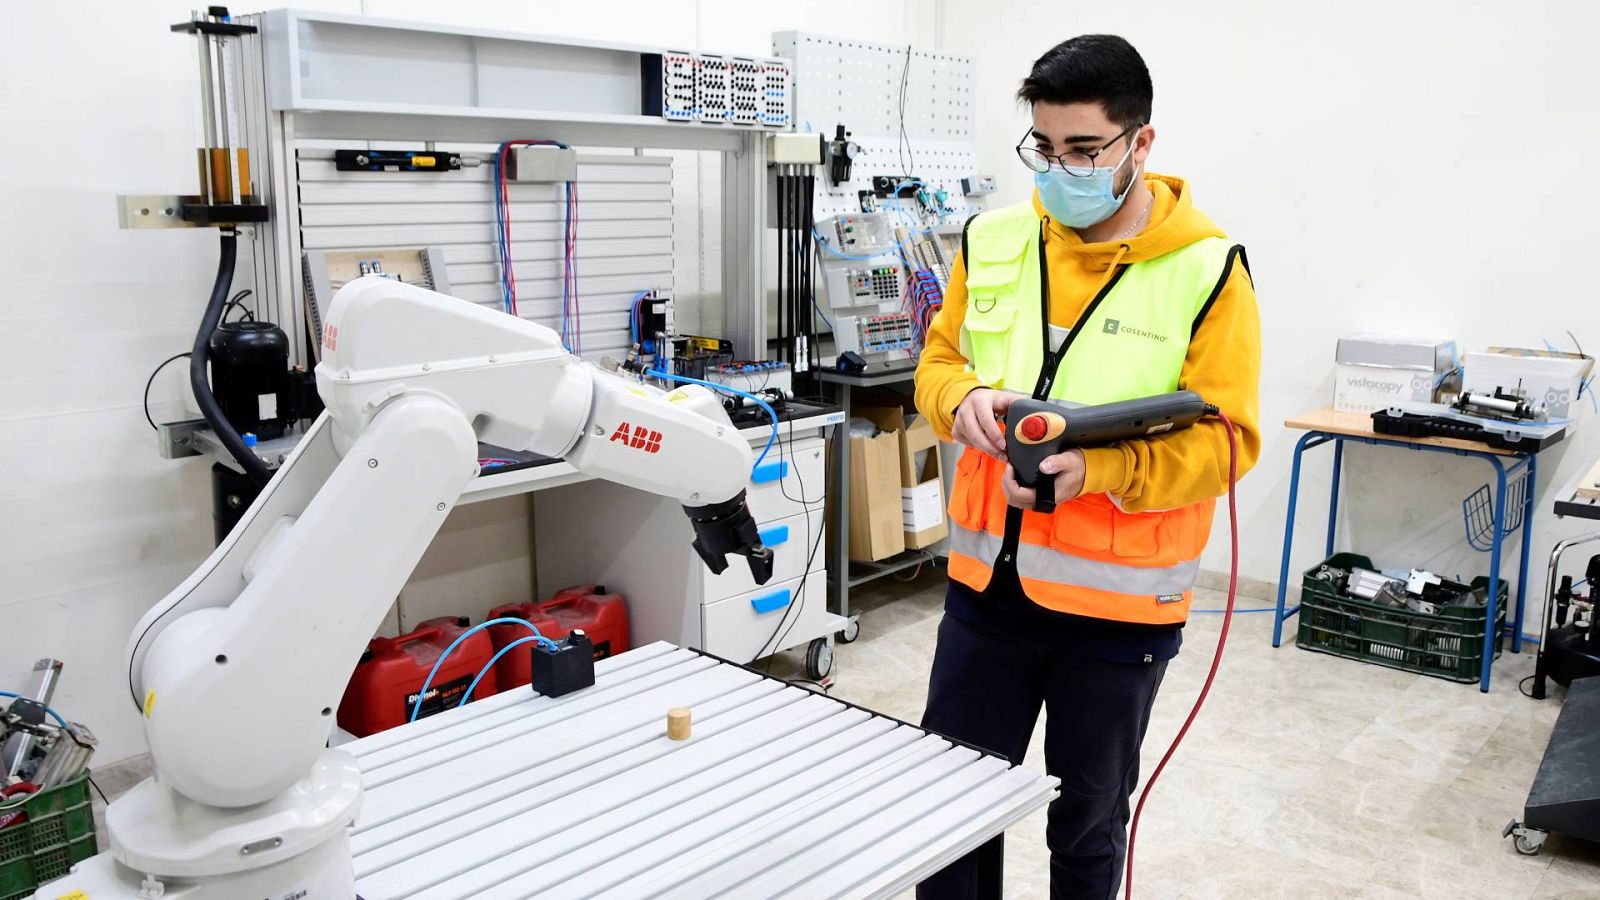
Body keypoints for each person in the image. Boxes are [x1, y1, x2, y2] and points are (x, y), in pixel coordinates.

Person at [912, 34, 1262, 900]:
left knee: (1088, 822)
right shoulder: (991, 240)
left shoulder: (1207, 269)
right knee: (948, 810)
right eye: (1043, 146)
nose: (1057, 168)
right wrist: (962, 405)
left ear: (1141, 144)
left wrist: (1098, 473)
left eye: (1082, 150)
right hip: (984, 590)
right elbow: (938, 362)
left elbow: (1227, 441)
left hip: (1118, 613)